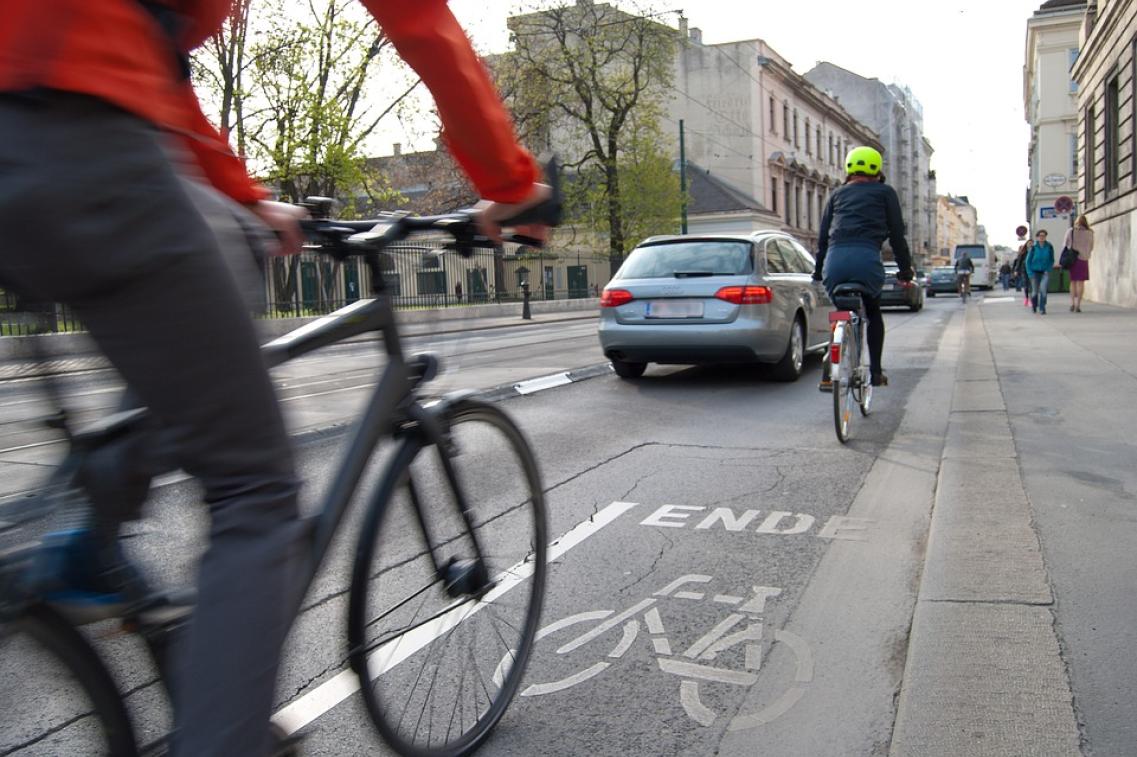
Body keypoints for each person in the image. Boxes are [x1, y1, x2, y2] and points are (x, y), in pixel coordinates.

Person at [0, 2, 553, 755]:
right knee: (255, 491)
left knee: (227, 244)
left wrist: (245, 195)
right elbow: (423, 24)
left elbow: (148, 57)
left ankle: (94, 536)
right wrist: (510, 181)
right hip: (77, 133)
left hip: (50, 128)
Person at [814, 145, 914, 388]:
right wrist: (905, 271)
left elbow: (823, 238)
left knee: (839, 312)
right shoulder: (885, 192)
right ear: (877, 170)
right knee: (873, 311)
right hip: (866, 261)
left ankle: (831, 361)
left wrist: (818, 272)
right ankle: (877, 373)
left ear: (849, 170)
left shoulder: (836, 195)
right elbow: (897, 237)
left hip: (835, 263)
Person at [1063, 215, 1095, 312]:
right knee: (1081, 283)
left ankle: (1072, 303)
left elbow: (1065, 244)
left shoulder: (1071, 231)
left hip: (1073, 259)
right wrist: (1085, 253)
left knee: (1073, 282)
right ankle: (1078, 305)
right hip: (1084, 259)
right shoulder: (1090, 233)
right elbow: (1092, 246)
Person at [1026, 229, 1055, 315]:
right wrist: (1030, 273)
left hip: (1044, 272)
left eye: (1044, 236)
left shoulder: (1049, 247)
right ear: (1037, 237)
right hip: (1034, 272)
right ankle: (1034, 306)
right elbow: (1028, 261)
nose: (1042, 237)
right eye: (1040, 236)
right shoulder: (1034, 248)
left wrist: (1048, 269)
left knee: (1043, 290)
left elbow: (1051, 260)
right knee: (1035, 291)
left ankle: (1042, 308)